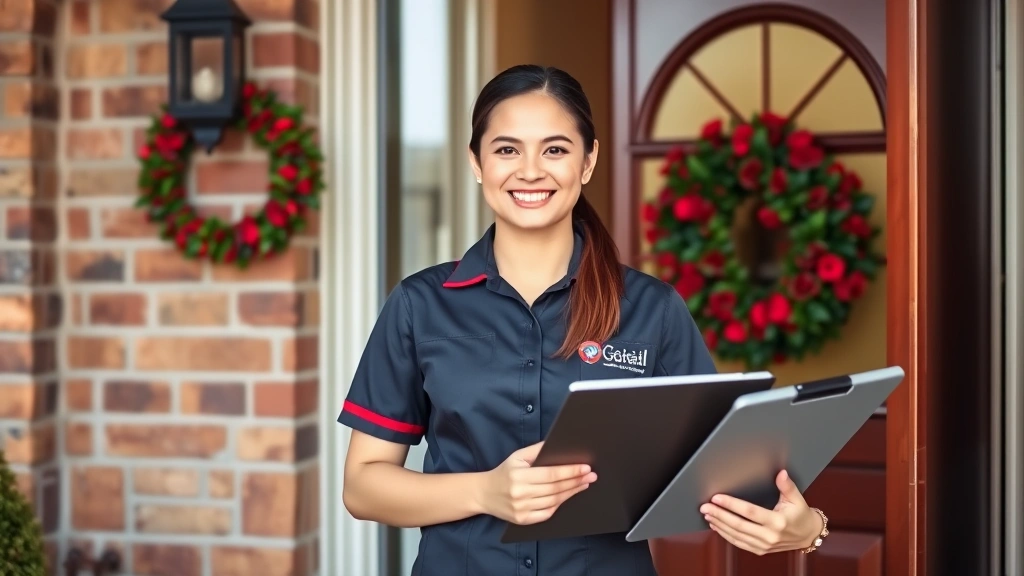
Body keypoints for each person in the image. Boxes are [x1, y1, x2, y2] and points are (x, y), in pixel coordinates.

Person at [338, 64, 828, 576]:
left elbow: (723, 472)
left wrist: (807, 527)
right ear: (477, 162)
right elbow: (364, 487)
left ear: (587, 162)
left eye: (555, 149)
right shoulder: (420, 304)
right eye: (507, 149)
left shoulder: (652, 308)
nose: (530, 170)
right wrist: (485, 491)